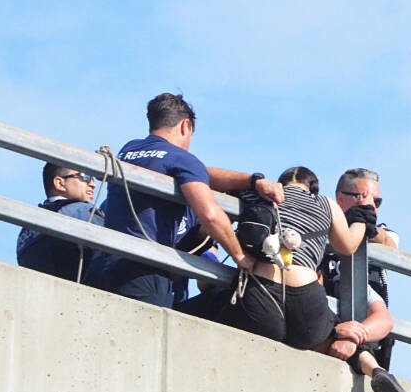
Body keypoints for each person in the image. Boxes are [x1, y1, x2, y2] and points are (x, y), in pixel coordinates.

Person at [179, 166, 411, 392]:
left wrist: (254, 182)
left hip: (261, 297)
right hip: (307, 301)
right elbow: (348, 246)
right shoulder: (326, 204)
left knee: (202, 306)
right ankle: (375, 369)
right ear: (314, 187)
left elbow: (199, 174)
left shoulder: (259, 194)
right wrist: (362, 217)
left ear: (279, 182)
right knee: (335, 332)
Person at [85, 92, 283, 307]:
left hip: (102, 265)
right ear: (185, 126)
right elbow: (210, 214)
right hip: (143, 271)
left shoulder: (129, 150)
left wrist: (251, 181)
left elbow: (199, 172)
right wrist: (241, 257)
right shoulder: (182, 159)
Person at [321, 167, 399, 369]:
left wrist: (364, 224)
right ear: (340, 199)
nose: (371, 206)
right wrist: (345, 224)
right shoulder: (322, 229)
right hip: (325, 324)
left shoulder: (385, 233)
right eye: (362, 197)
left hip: (367, 331)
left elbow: (389, 244)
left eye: (376, 201)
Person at [17, 163, 104, 280]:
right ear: (60, 183)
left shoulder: (26, 230)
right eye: (85, 177)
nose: (93, 184)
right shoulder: (81, 211)